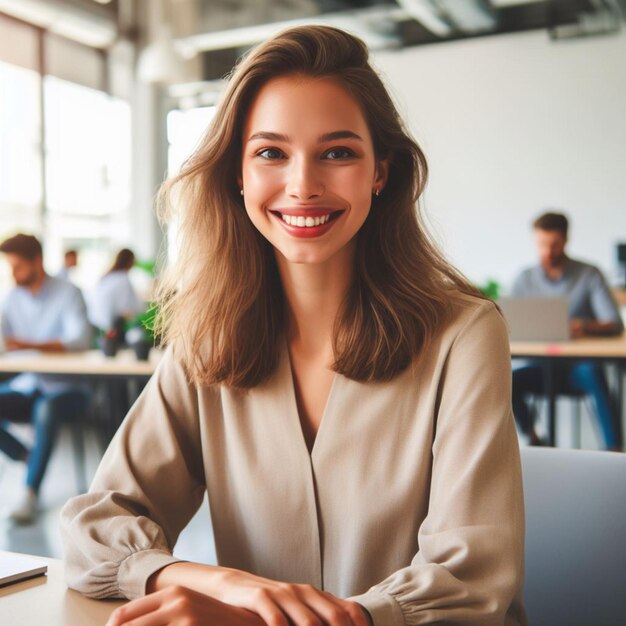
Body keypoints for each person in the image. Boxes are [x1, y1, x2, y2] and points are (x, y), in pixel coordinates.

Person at [60, 26, 527, 626]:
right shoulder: (207, 337)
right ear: (238, 174)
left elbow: (471, 582)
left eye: (337, 152)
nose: (303, 185)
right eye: (270, 153)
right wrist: (213, 581)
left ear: (380, 171)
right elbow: (92, 528)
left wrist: (260, 621)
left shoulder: (464, 333)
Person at [511, 212, 624, 449]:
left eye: (553, 244)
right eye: (542, 244)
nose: (547, 251)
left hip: (579, 368)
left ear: (565, 240)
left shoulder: (589, 274)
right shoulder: (525, 278)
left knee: (594, 372)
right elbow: (510, 324)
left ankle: (614, 451)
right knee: (507, 381)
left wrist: (581, 325)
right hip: (540, 366)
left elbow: (613, 323)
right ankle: (534, 438)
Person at [0, 234, 92, 523]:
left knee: (46, 409)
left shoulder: (69, 292)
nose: (12, 273)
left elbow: (80, 339)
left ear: (36, 261)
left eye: (17, 267)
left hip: (70, 389)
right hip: (31, 385)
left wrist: (28, 344)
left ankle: (29, 492)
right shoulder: (13, 297)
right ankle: (28, 456)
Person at [86, 248, 145, 333]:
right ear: (130, 261)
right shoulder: (123, 279)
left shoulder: (107, 277)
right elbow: (129, 308)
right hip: (110, 327)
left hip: (95, 323)